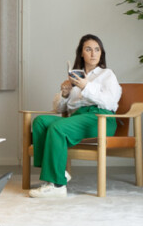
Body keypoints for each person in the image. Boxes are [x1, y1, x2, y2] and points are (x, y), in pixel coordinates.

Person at [29, 33, 123, 199]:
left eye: (97, 49)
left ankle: (58, 185)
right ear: (81, 53)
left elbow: (109, 102)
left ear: (101, 53)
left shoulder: (107, 75)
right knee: (40, 122)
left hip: (101, 118)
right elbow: (59, 109)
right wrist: (65, 94)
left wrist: (86, 86)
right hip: (79, 118)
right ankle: (58, 173)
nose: (93, 53)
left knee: (58, 128)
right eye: (88, 49)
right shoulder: (75, 77)